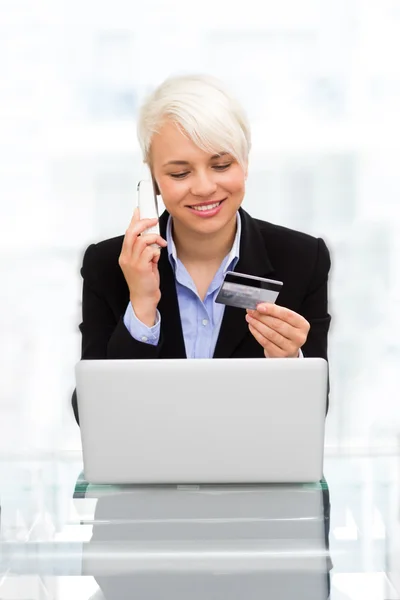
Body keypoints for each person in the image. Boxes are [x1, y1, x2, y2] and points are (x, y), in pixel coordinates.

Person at [72, 74, 331, 424]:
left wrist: (292, 363)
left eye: (221, 165)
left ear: (245, 163)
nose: (205, 187)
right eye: (180, 173)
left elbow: (314, 413)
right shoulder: (108, 265)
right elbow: (92, 414)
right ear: (152, 181)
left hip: (251, 474)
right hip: (151, 474)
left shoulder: (302, 259)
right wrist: (142, 307)